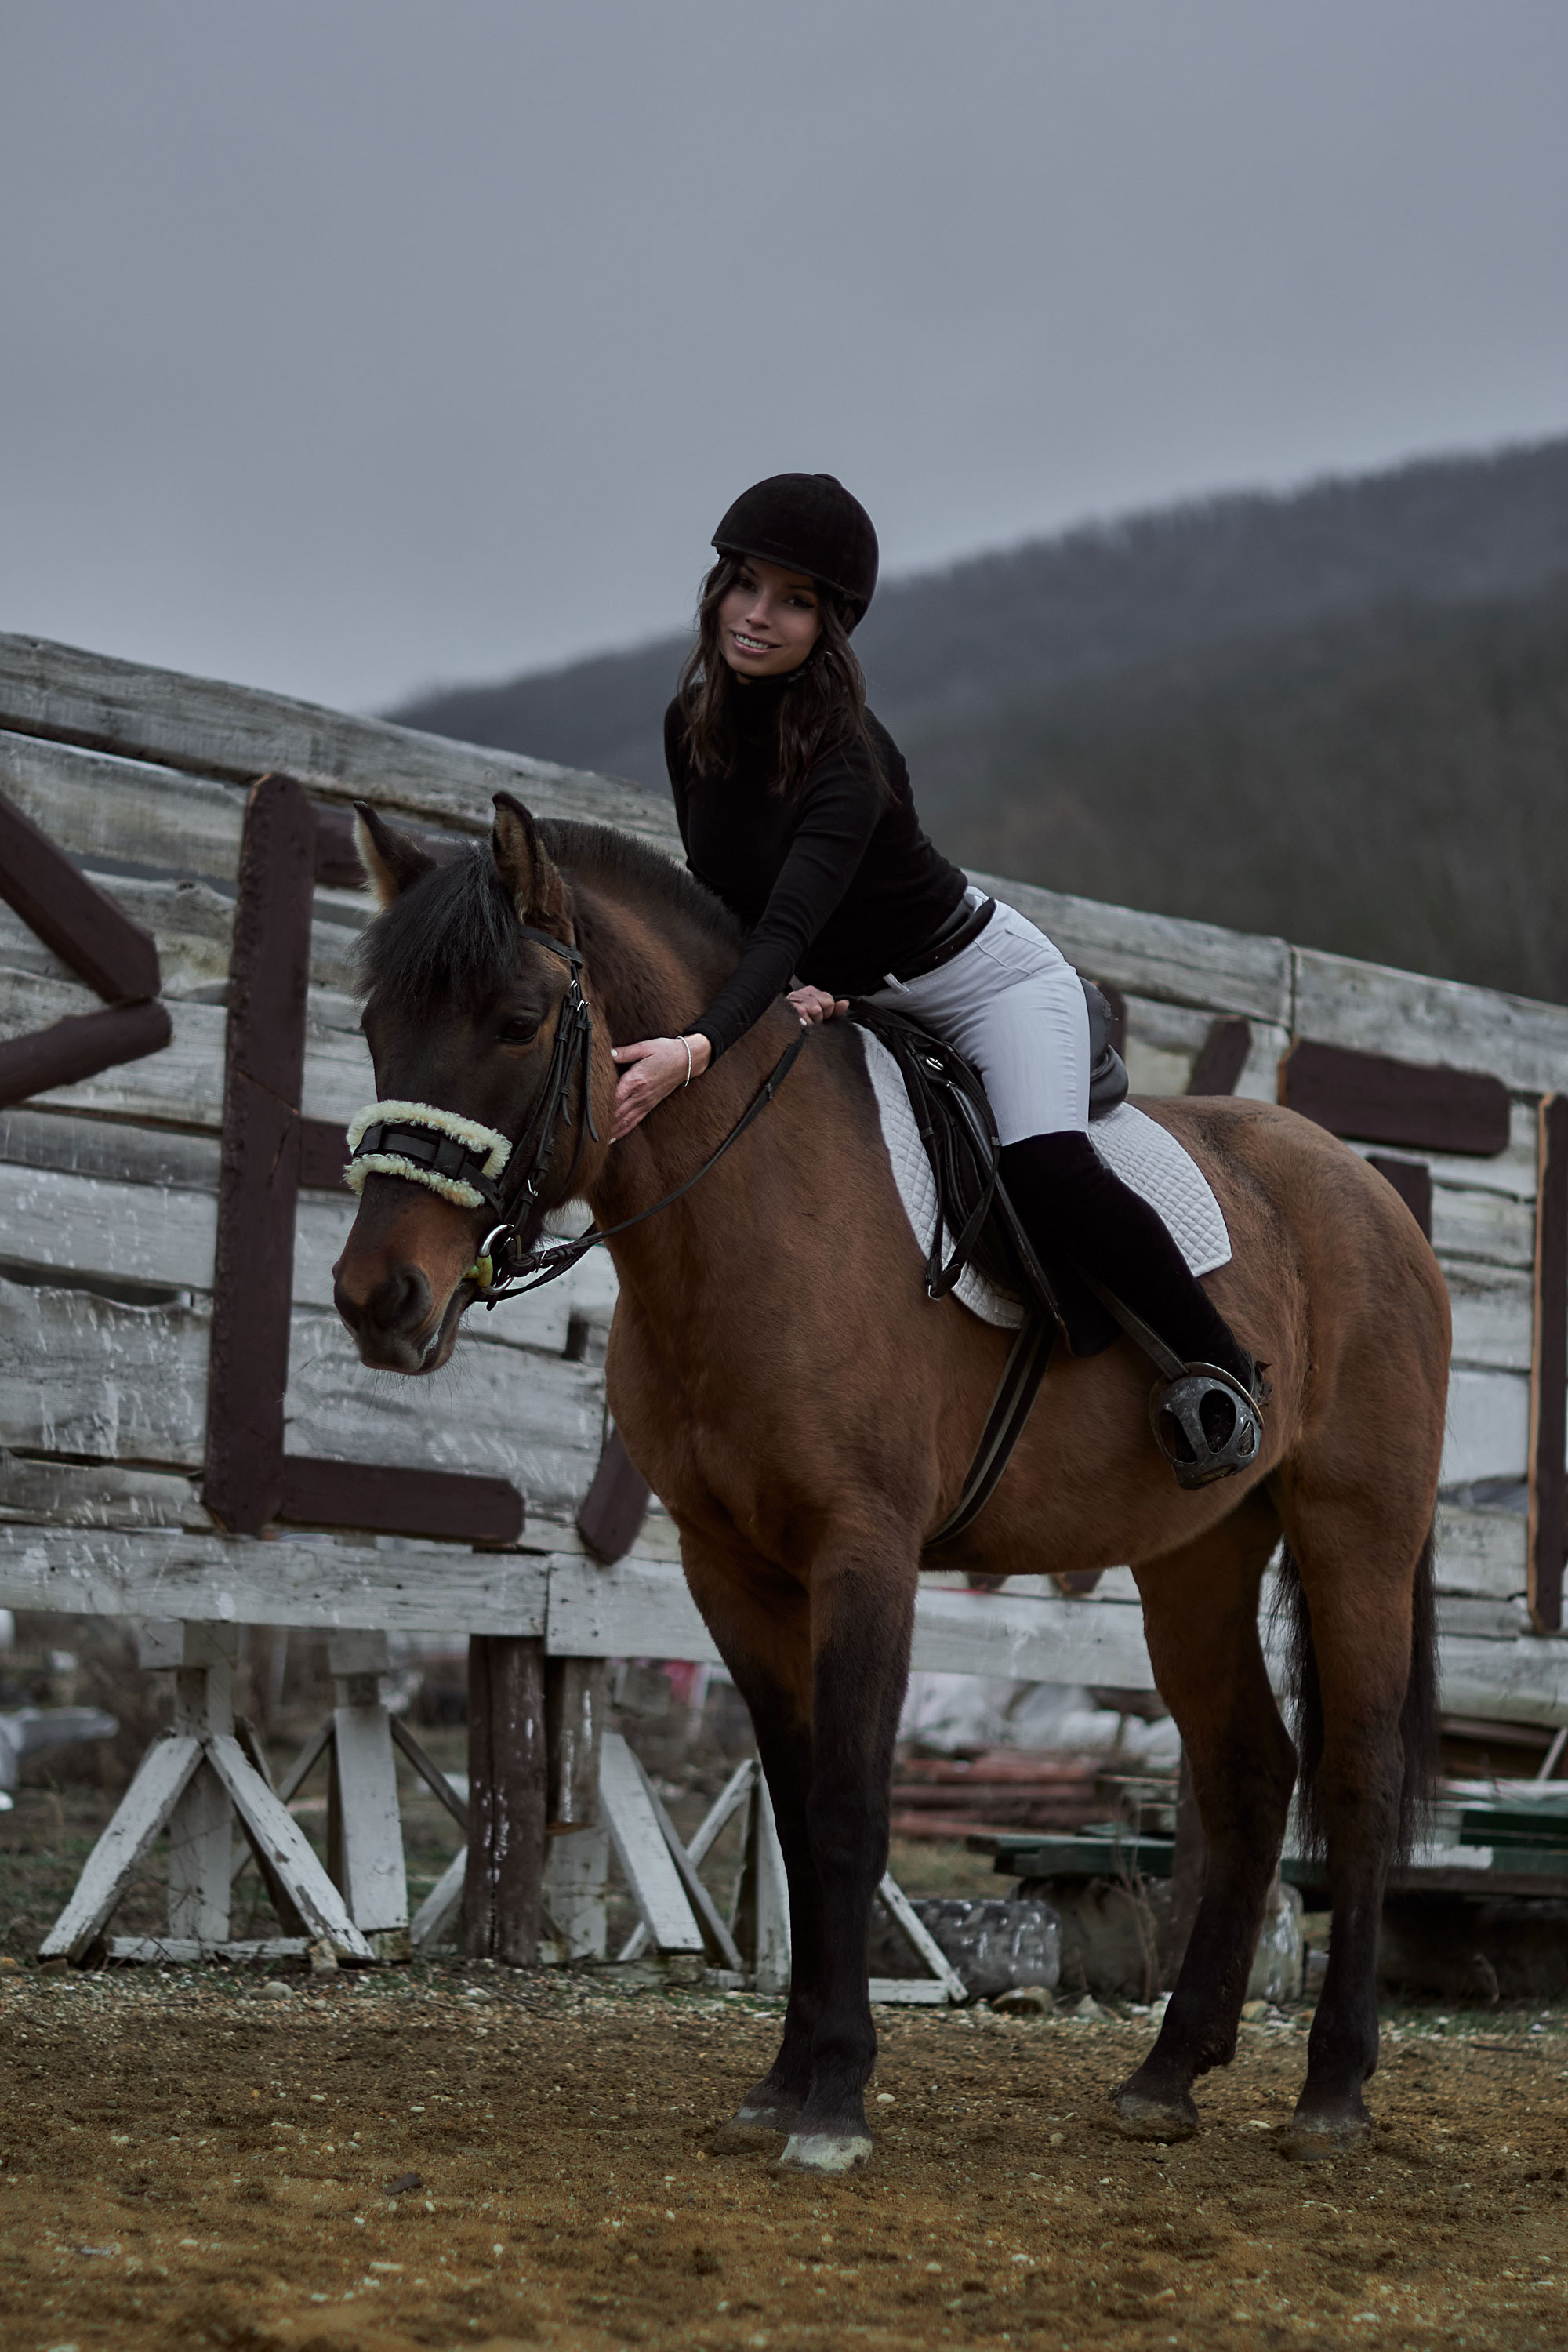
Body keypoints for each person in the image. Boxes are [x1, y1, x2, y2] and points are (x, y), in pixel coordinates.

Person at [610, 473, 1261, 1484]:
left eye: (795, 601)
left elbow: (779, 928)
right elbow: (725, 905)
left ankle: (1221, 1371)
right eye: (745, 585)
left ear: (830, 628)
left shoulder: (849, 760)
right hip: (857, 989)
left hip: (982, 981)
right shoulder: (687, 724)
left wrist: (697, 1045)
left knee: (1046, 1164)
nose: (757, 616)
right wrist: (818, 987)